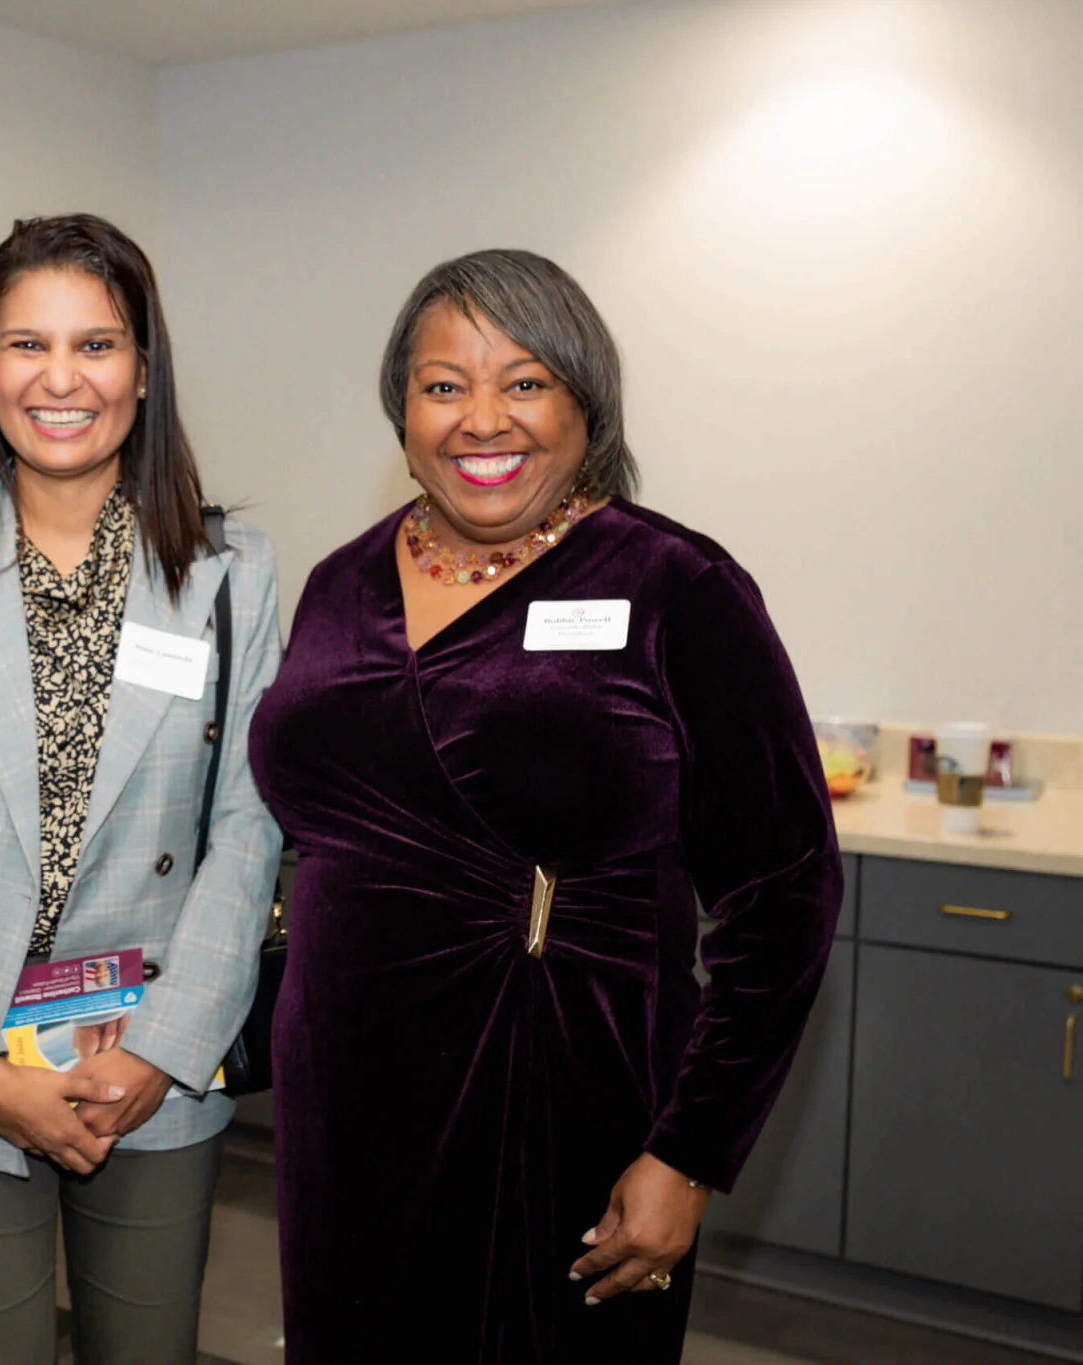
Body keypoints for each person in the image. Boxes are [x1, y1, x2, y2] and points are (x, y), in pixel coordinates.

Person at [248, 248, 841, 1362]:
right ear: (401, 409)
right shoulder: (338, 583)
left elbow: (782, 894)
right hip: (344, 1100)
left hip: (564, 1086)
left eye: (523, 382)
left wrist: (688, 1153)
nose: (481, 420)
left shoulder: (675, 587)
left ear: (583, 402)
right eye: (441, 385)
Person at [0, 214, 283, 1365]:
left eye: (97, 344)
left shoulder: (232, 576)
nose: (60, 379)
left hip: (153, 1053)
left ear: (142, 367)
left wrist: (158, 1050)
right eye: (27, 345)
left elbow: (248, 829)